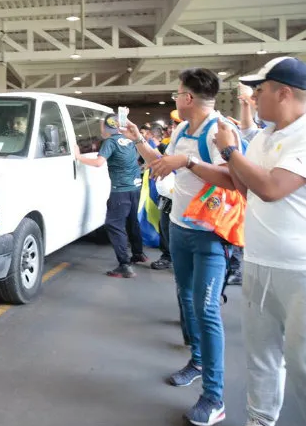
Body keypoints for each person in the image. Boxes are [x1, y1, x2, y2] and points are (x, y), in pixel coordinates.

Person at [214, 56, 306, 426]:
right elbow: (241, 184)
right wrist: (189, 165)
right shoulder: (266, 137)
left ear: (283, 93)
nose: (253, 98)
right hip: (260, 263)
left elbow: (270, 188)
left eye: (260, 90)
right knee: (262, 359)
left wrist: (229, 150)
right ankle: (259, 420)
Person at [124, 68, 243, 426]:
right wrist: (137, 140)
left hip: (210, 233)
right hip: (179, 227)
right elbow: (160, 165)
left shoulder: (223, 130)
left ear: (188, 98)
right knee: (188, 299)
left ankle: (214, 397)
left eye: (177, 93)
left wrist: (189, 161)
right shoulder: (179, 130)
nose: (175, 98)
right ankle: (198, 361)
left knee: (207, 309)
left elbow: (236, 180)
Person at [75, 114, 145, 278]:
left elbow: (99, 162)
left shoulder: (110, 142)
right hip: (135, 187)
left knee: (114, 224)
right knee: (132, 220)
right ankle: (138, 253)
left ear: (107, 127)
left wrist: (79, 157)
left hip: (121, 189)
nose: (100, 130)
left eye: (101, 126)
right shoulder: (129, 140)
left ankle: (124, 265)